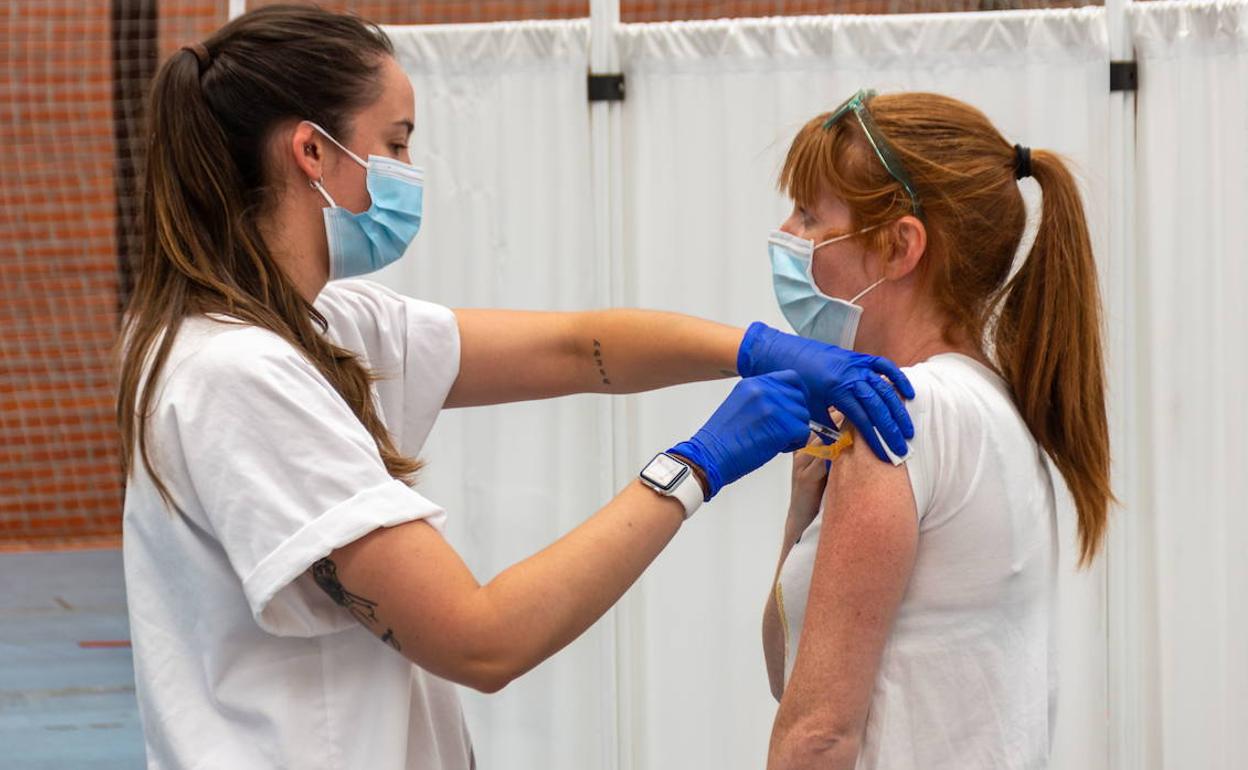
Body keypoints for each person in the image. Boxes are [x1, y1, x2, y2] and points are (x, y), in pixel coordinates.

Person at [115, 8, 914, 769]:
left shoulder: (319, 323)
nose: (406, 174)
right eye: (393, 144)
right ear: (312, 153)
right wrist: (694, 465)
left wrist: (754, 349)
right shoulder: (238, 376)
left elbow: (577, 347)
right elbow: (480, 638)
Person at [759, 90, 1112, 770]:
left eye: (809, 214)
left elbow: (816, 736)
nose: (787, 235)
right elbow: (789, 674)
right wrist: (803, 508)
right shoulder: (989, 406)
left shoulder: (904, 412)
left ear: (900, 247)